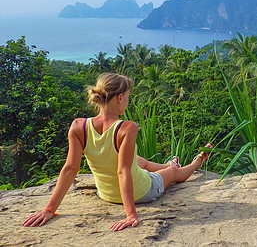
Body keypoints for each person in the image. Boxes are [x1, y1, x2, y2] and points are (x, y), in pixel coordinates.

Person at [22, 73, 212, 231]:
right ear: (120, 97)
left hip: (106, 194)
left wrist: (49, 209)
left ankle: (168, 164)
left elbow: (70, 169)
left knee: (138, 160)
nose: (128, 101)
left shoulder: (79, 126)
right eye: (128, 97)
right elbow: (123, 171)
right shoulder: (127, 128)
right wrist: (131, 214)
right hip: (141, 192)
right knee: (174, 173)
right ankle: (197, 161)